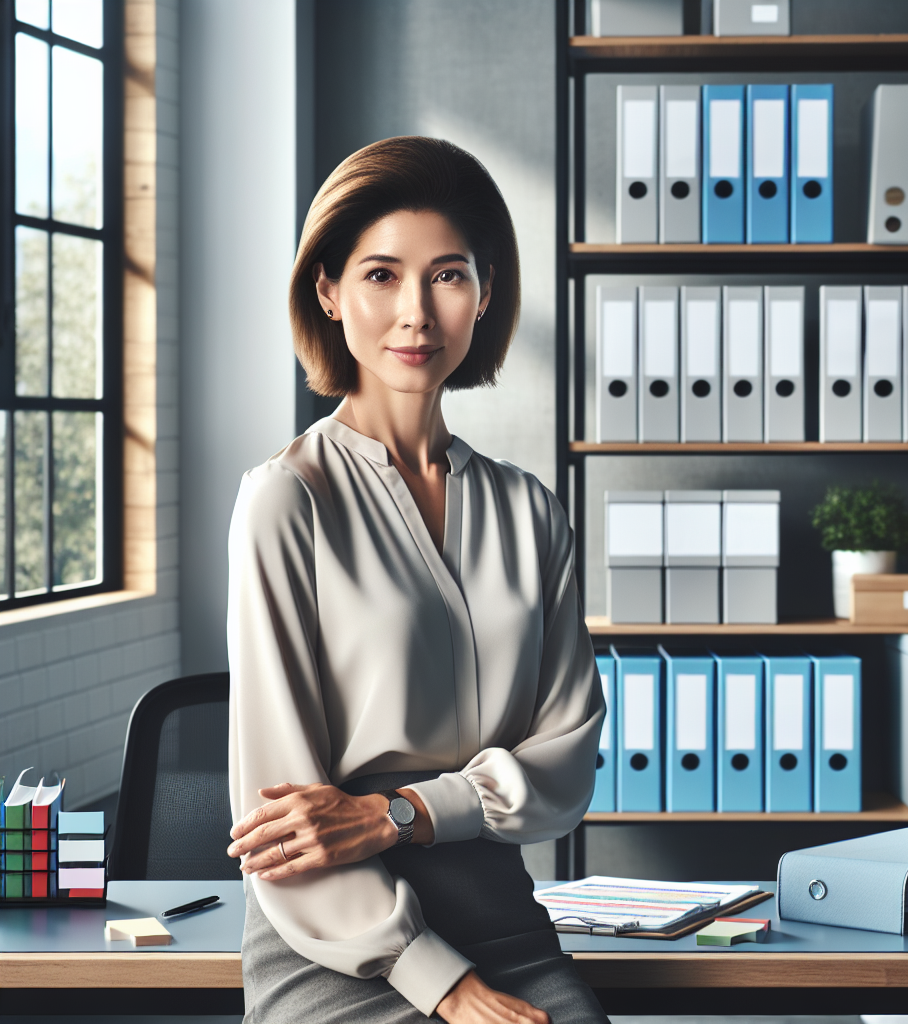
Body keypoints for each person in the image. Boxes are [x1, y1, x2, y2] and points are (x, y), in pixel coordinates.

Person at [225, 136, 608, 1024]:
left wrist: (400, 811)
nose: (416, 314)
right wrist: (442, 983)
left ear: (485, 294)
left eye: (447, 276)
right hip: (340, 940)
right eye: (381, 275)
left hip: (508, 927)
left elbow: (567, 760)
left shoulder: (530, 511)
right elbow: (285, 821)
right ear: (327, 291)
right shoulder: (286, 500)